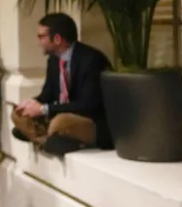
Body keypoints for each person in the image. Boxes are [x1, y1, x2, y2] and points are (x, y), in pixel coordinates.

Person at [12, 12, 113, 155]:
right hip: (60, 114)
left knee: (60, 122)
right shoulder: (54, 61)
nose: (38, 42)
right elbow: (47, 94)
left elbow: (88, 105)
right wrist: (31, 103)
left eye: (41, 37)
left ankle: (47, 138)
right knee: (18, 114)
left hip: (88, 120)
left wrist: (44, 109)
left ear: (57, 39)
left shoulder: (91, 60)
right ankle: (48, 140)